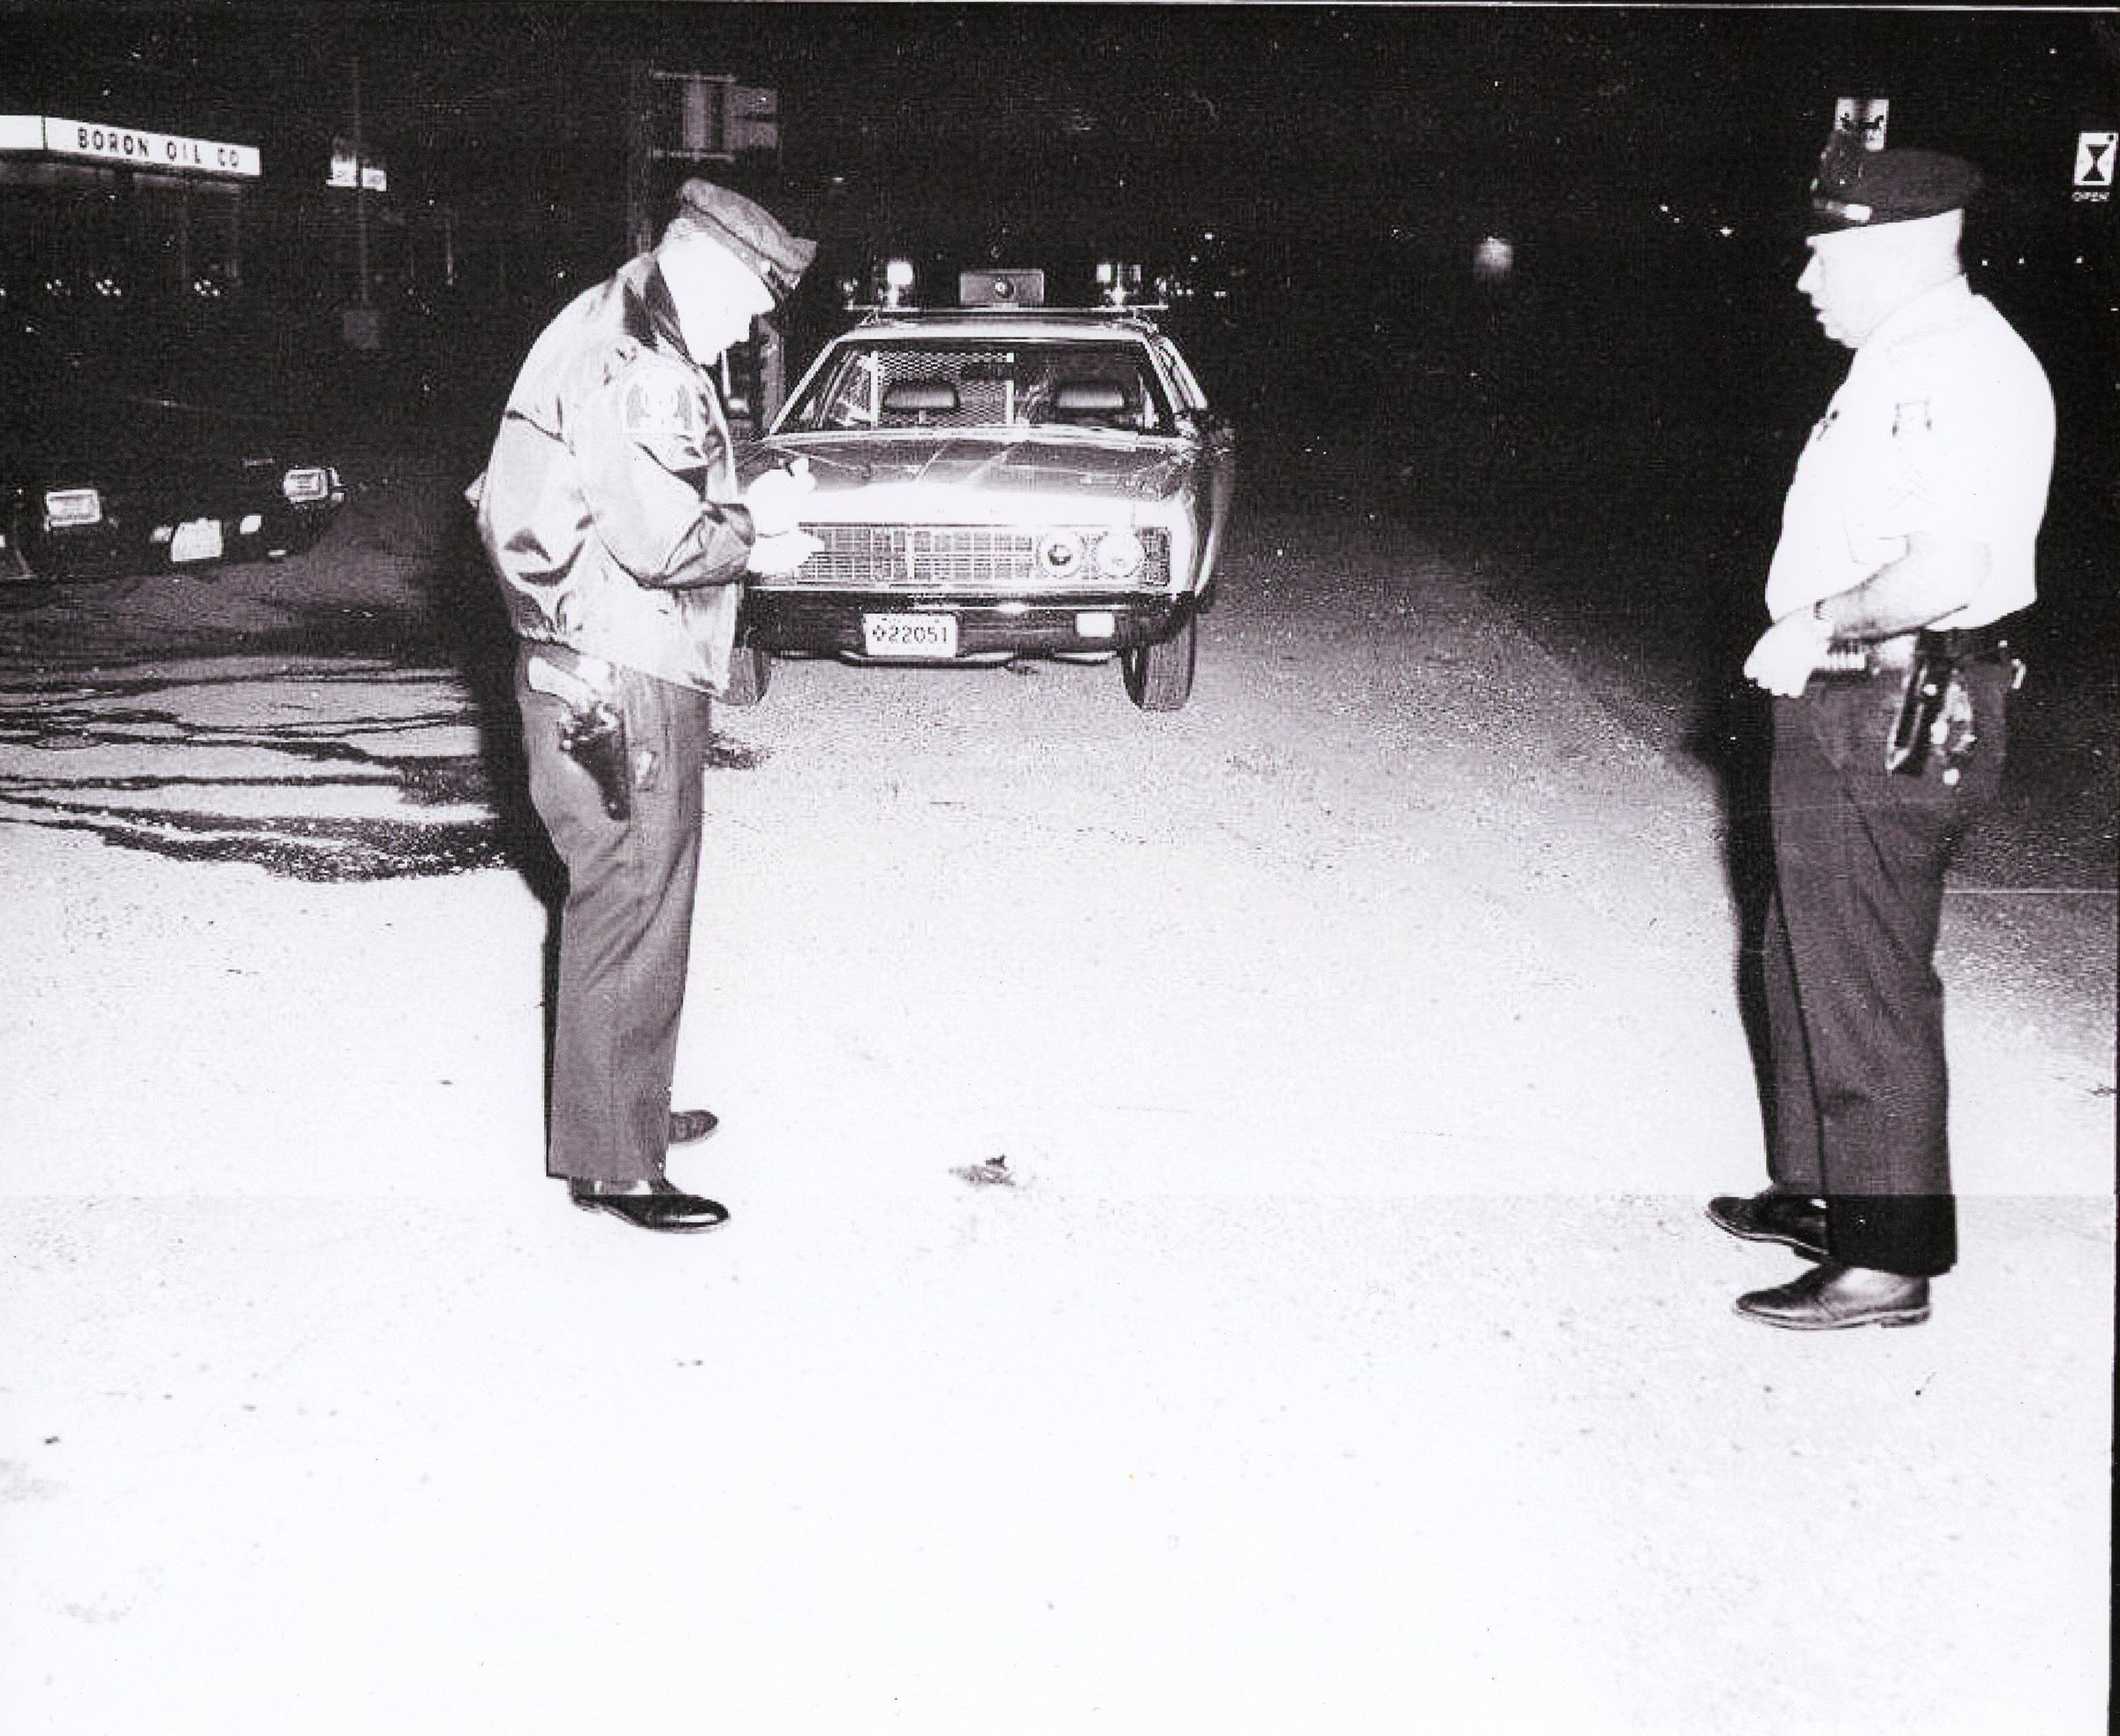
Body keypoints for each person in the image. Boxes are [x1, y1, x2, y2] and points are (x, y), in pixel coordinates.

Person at [1712, 148, 2056, 1328]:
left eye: (1826, 254)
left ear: (1896, 250)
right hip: (1861, 698)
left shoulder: (1946, 370)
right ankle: (1824, 1191)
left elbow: (1944, 569)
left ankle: (1887, 1259)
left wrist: (1816, 622)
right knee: (1802, 946)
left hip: (1892, 697)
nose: (1805, 277)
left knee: (1863, 969)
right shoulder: (1907, 357)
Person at [470, 180, 818, 1233]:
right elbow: (660, 535)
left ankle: (625, 1107)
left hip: (598, 653)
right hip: (622, 664)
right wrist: (760, 534)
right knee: (632, 894)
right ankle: (617, 1166)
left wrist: (739, 509)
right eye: (751, 304)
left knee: (633, 892)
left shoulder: (613, 321)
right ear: (707, 269)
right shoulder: (642, 360)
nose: (751, 328)